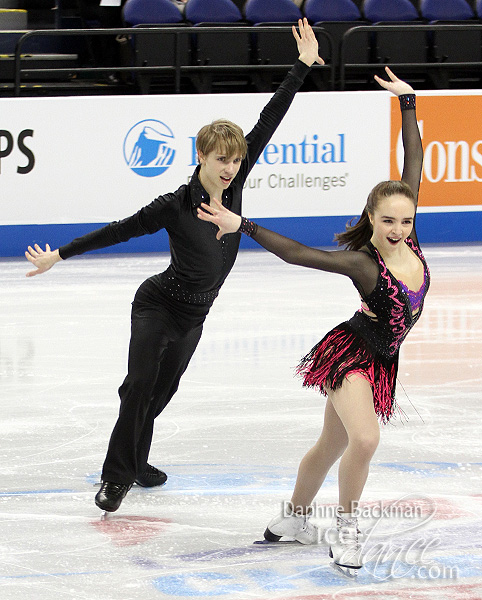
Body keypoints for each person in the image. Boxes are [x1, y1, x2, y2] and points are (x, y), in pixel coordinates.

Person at [24, 19, 323, 514]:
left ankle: (138, 461)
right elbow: (117, 230)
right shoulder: (174, 205)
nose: (229, 169)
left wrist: (302, 65)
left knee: (160, 394)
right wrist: (60, 255)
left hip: (194, 315)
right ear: (201, 155)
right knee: (138, 389)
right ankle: (116, 477)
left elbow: (270, 117)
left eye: (236, 161)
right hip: (158, 305)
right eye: (221, 160)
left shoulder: (234, 186)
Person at [196, 67, 427, 570]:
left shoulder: (408, 237)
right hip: (351, 355)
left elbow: (414, 160)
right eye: (387, 220)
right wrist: (243, 224)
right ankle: (347, 530)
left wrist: (408, 101)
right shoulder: (365, 263)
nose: (397, 228)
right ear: (371, 217)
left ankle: (292, 519)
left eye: (406, 220)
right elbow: (301, 254)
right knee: (365, 439)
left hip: (383, 362)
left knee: (330, 445)